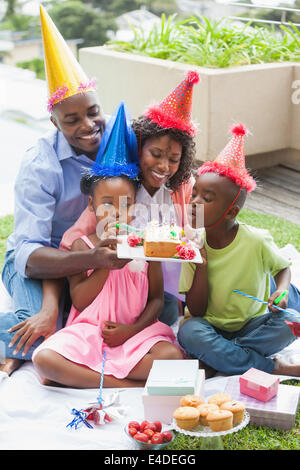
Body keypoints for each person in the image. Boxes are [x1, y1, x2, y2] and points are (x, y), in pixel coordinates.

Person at [0, 6, 129, 378]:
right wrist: (49, 306)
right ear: (54, 122)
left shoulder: (116, 143)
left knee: (120, 320)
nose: (89, 126)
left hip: (92, 259)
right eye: (72, 120)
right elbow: (30, 254)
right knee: (44, 332)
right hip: (42, 265)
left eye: (93, 112)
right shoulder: (40, 165)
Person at [32, 102, 182, 388]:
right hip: (89, 332)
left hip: (135, 334)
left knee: (172, 356)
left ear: (135, 206)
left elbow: (156, 300)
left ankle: (89, 378)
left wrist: (131, 331)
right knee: (44, 359)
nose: (115, 212)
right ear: (92, 205)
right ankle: (127, 385)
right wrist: (100, 262)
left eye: (124, 205)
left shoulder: (147, 245)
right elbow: (80, 300)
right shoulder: (81, 246)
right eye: (106, 204)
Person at [59, 70, 200, 326]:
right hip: (126, 282)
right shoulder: (123, 190)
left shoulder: (180, 188)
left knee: (168, 317)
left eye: (173, 159)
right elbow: (79, 235)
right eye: (155, 154)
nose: (163, 165)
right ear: (140, 146)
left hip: (166, 287)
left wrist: (191, 234)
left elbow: (192, 226)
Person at [177, 123, 300, 377]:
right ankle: (272, 367)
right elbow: (196, 311)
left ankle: (222, 358)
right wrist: (201, 263)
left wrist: (280, 290)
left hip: (252, 324)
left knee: (294, 322)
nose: (194, 203)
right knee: (189, 332)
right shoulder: (192, 246)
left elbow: (283, 267)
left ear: (231, 211)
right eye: (194, 194)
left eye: (206, 199)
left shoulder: (256, 240)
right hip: (210, 326)